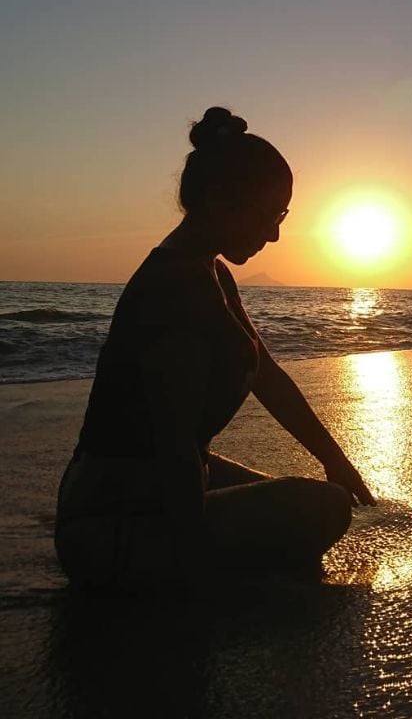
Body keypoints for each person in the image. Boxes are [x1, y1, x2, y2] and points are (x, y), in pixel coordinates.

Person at [54, 106, 376, 595]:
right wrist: (196, 580)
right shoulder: (173, 288)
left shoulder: (212, 273)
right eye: (269, 215)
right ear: (219, 199)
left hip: (143, 495)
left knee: (306, 493)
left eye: (283, 216)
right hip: (107, 527)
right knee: (323, 508)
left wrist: (334, 458)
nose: (274, 233)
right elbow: (174, 443)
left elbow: (266, 374)